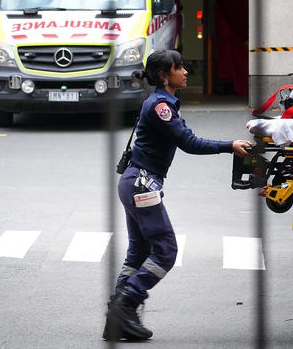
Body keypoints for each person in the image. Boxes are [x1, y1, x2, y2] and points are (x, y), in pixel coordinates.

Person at [103, 49, 252, 341]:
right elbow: (188, 142)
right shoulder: (161, 106)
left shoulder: (161, 103)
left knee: (139, 252)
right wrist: (229, 145)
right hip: (142, 185)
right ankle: (126, 303)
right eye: (179, 67)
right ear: (164, 75)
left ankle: (117, 315)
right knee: (166, 251)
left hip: (134, 183)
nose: (185, 71)